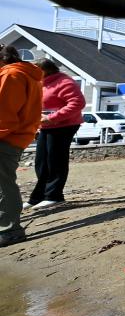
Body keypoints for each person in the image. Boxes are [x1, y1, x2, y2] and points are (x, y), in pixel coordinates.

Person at [0, 45, 43, 248]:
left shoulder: (11, 75)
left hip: (6, 138)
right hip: (15, 137)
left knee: (3, 184)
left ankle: (9, 230)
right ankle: (8, 227)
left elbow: (4, 116)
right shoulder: (23, 74)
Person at [29, 58, 86, 210]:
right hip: (46, 127)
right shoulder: (40, 82)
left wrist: (51, 118)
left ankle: (54, 196)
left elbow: (78, 103)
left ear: (44, 70)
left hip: (64, 126)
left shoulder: (64, 82)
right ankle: (38, 197)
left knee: (55, 160)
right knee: (41, 162)